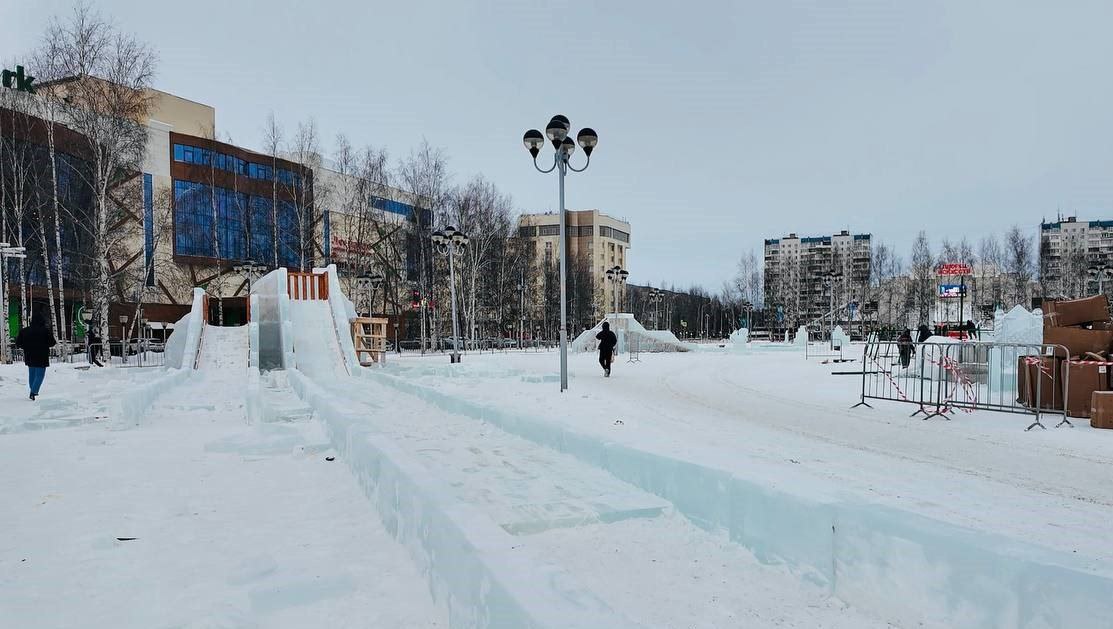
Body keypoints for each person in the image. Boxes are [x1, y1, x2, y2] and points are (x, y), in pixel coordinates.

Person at [14, 312, 57, 401]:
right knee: (40, 375)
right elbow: (52, 342)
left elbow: (18, 343)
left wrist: (26, 346)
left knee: (32, 374)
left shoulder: (24, 331)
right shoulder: (45, 330)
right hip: (42, 355)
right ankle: (33, 392)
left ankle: (32, 390)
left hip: (29, 355)